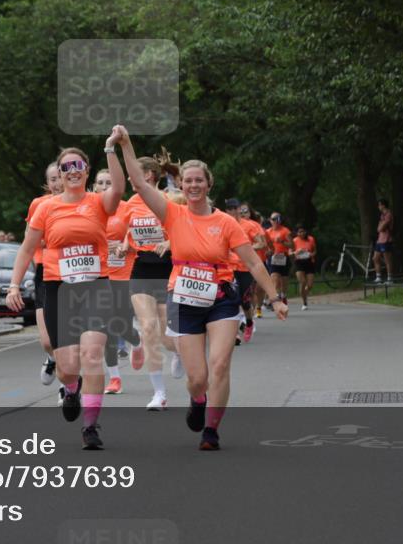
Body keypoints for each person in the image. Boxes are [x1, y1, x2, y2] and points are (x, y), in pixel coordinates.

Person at [119, 126, 288, 450]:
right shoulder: (172, 213)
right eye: (188, 180)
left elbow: (253, 263)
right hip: (183, 298)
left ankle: (211, 429)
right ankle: (198, 400)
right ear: (181, 185)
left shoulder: (225, 222)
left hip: (221, 297)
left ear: (208, 184)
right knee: (197, 378)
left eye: (200, 180)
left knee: (221, 364)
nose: (194, 184)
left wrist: (276, 298)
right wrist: (126, 144)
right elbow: (139, 183)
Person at [7, 135, 126, 450]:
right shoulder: (46, 209)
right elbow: (26, 249)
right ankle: (71, 389)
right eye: (66, 166)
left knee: (92, 355)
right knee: (68, 366)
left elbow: (119, 187)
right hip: (59, 288)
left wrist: (110, 148)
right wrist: (14, 284)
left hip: (95, 286)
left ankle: (90, 425)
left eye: (78, 165)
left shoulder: (98, 203)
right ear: (58, 174)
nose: (73, 170)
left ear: (86, 171)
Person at [120, 153, 186, 411]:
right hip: (142, 269)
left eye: (133, 172)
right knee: (147, 328)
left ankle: (179, 352)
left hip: (168, 269)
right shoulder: (130, 204)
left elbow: (186, 229)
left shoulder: (171, 200)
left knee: (166, 335)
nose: (129, 177)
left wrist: (169, 242)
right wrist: (122, 245)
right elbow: (124, 229)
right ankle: (159, 393)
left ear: (147, 175)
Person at [93, 168, 137, 395]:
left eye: (109, 182)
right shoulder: (88, 209)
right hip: (99, 276)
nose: (105, 186)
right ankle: (115, 378)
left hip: (123, 274)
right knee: (107, 328)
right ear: (94, 187)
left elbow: (136, 232)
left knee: (122, 325)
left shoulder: (127, 207)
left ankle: (136, 343)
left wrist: (124, 244)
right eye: (101, 182)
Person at [25, 163, 64, 386]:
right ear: (47, 183)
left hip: (73, 273)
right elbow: (29, 241)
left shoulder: (82, 202)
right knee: (48, 341)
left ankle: (66, 387)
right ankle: (50, 358)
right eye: (52, 179)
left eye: (60, 177)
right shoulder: (39, 205)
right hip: (46, 272)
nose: (57, 183)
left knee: (69, 339)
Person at [224, 198, 268, 342]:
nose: (232, 211)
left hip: (245, 268)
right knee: (232, 300)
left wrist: (245, 249)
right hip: (229, 268)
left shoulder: (249, 226)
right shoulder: (223, 224)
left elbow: (262, 243)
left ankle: (249, 322)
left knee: (244, 301)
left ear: (238, 209)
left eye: (234, 208)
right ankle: (235, 333)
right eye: (229, 209)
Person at [265, 212, 294, 304]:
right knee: (275, 278)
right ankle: (275, 299)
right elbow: (265, 244)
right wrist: (267, 251)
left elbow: (292, 246)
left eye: (277, 219)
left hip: (283, 257)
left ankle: (283, 295)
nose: (275, 221)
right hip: (273, 257)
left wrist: (282, 242)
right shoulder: (267, 232)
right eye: (273, 219)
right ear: (270, 220)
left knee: (284, 280)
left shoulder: (285, 231)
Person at [293, 225, 318, 310]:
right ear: (296, 233)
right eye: (299, 232)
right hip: (299, 262)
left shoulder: (311, 239)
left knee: (310, 285)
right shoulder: (294, 241)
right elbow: (290, 252)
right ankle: (304, 302)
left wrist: (311, 254)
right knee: (303, 282)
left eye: (303, 231)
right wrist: (296, 252)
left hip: (309, 262)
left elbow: (315, 250)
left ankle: (304, 293)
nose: (302, 233)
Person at [372, 198, 394, 283]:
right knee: (375, 258)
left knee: (387, 259)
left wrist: (381, 226)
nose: (378, 207)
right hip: (380, 240)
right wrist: (380, 226)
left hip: (386, 239)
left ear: (383, 205)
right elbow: (378, 229)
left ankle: (390, 279)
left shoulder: (388, 214)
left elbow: (381, 227)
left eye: (379, 205)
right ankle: (378, 277)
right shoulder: (382, 215)